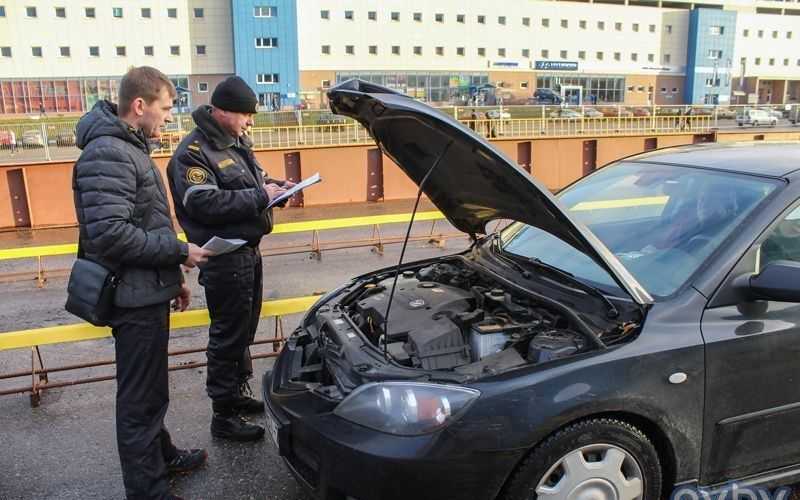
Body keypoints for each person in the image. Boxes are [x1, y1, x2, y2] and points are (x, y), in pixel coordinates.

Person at [72, 66, 211, 500]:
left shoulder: (127, 147)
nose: (170, 117)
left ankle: (162, 455)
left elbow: (145, 221)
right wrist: (177, 252)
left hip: (147, 288)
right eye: (166, 108)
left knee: (152, 389)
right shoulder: (108, 153)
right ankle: (148, 490)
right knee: (138, 399)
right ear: (140, 106)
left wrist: (172, 280)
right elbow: (110, 233)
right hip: (132, 298)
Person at [166, 76, 294, 442]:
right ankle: (223, 414)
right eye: (245, 114)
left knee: (244, 330)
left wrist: (276, 188)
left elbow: (255, 179)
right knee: (227, 335)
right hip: (224, 257)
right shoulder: (193, 154)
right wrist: (260, 196)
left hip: (247, 252)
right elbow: (203, 203)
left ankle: (237, 394)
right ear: (221, 112)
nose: (250, 121)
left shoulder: (235, 142)